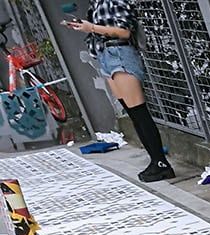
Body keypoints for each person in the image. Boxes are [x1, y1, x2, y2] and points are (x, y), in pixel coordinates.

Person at [63, 2, 175, 182]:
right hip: (106, 55)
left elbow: (124, 31)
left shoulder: (113, 2)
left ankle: (160, 163)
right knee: (133, 113)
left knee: (139, 112)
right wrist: (87, 27)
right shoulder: (97, 4)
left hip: (119, 53)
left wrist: (90, 27)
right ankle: (155, 161)